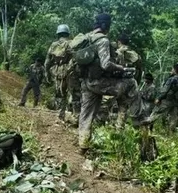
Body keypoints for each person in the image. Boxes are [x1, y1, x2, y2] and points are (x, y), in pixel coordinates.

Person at [77, 13, 145, 154]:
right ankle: (140, 122)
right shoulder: (103, 40)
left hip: (86, 82)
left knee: (86, 113)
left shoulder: (87, 37)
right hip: (100, 82)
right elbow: (106, 65)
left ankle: (83, 145)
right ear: (106, 25)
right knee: (131, 83)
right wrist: (122, 68)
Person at [44, 24, 81, 120]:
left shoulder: (53, 45)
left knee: (60, 94)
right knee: (75, 94)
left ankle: (60, 116)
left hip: (58, 71)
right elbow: (77, 58)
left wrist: (47, 73)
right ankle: (76, 116)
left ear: (58, 34)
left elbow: (47, 62)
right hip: (70, 71)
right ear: (67, 33)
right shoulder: (71, 43)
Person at [143, 64, 178, 133]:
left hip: (168, 100)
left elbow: (165, 90)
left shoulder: (172, 79)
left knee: (155, 113)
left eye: (172, 69)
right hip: (176, 102)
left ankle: (145, 127)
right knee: (174, 117)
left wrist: (159, 98)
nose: (171, 70)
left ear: (175, 70)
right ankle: (171, 133)